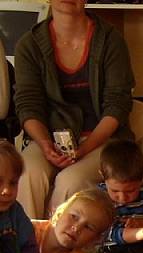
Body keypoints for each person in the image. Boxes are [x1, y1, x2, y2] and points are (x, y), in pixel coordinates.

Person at [14, 0, 135, 218]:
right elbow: (28, 104)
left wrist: (84, 148)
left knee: (70, 181)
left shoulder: (110, 40)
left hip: (102, 142)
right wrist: (44, 144)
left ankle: (61, 249)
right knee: (26, 174)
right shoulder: (29, 44)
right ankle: (28, 247)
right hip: (47, 139)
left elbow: (117, 105)